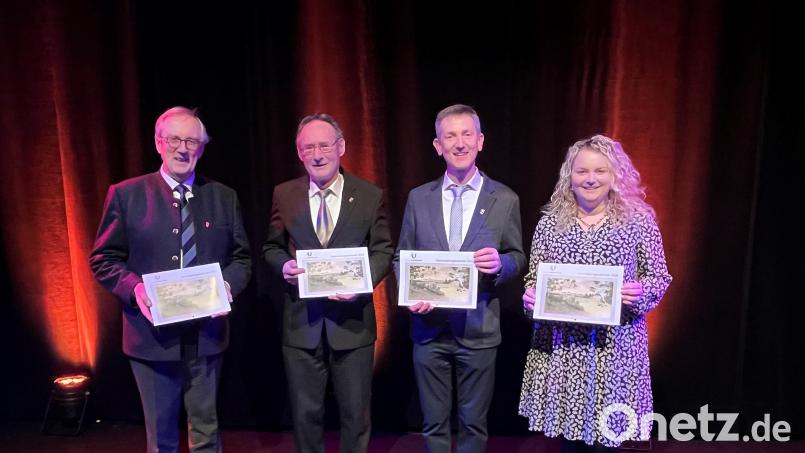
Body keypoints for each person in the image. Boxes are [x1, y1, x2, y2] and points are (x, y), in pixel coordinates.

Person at [89, 106, 252, 452]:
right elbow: (103, 258)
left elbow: (241, 259)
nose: (183, 148)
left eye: (191, 141)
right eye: (174, 139)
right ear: (159, 143)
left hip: (207, 337)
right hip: (151, 339)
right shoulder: (126, 194)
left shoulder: (224, 197)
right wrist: (135, 288)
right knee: (161, 440)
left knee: (206, 433)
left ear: (202, 148)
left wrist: (227, 286)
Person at [519, 135, 672, 452]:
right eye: (582, 171)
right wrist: (530, 299)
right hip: (563, 350)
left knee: (608, 442)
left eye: (600, 171)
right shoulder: (550, 223)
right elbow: (534, 279)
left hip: (615, 351)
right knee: (568, 444)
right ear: (569, 176)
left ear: (615, 175)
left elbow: (659, 276)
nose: (590, 179)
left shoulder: (638, 220)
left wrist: (640, 291)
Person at [394, 104, 526, 453]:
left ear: (480, 141)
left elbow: (517, 256)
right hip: (428, 329)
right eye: (450, 135)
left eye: (467, 134)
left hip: (479, 328)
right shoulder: (418, 198)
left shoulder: (505, 198)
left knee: (473, 424)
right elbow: (401, 257)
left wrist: (500, 265)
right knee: (433, 423)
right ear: (438, 146)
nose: (460, 142)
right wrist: (409, 294)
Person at [262, 113, 393, 453]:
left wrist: (363, 283)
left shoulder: (369, 195)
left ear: (341, 147)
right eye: (309, 147)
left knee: (355, 416)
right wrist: (284, 266)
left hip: (353, 325)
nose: (317, 154)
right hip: (301, 324)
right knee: (306, 416)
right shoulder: (284, 194)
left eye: (324, 145)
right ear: (299, 152)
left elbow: (383, 250)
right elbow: (271, 246)